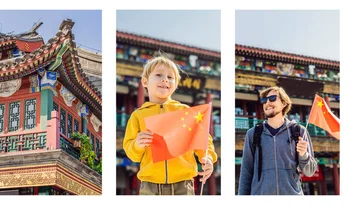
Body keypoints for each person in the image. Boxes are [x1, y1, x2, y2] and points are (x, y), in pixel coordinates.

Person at [123, 56, 217, 195]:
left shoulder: (184, 112)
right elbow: (132, 153)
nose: (165, 79)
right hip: (150, 186)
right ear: (145, 81)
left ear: (176, 84)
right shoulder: (138, 115)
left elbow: (202, 139)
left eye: (170, 77)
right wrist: (137, 145)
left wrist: (208, 158)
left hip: (183, 184)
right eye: (159, 75)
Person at [238, 87, 318, 195]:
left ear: (284, 103)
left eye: (272, 98)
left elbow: (310, 172)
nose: (267, 103)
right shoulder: (253, 134)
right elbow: (246, 172)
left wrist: (304, 155)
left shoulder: (299, 132)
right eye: (264, 100)